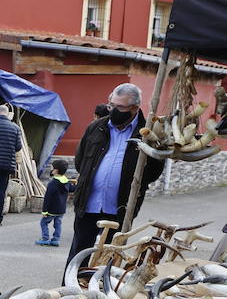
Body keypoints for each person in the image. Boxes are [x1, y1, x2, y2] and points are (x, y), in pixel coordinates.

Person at [66, 83, 164, 261]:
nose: (112, 110)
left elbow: (154, 171)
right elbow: (81, 161)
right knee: (78, 254)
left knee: (109, 257)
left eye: (119, 107)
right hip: (88, 204)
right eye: (111, 105)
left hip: (120, 208)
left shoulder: (147, 133)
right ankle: (70, 287)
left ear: (134, 108)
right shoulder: (96, 127)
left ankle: (99, 288)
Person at [36, 159, 72, 247]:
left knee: (44, 223)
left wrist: (44, 211)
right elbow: (71, 189)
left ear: (56, 170)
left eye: (52, 168)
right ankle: (56, 240)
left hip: (52, 209)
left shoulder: (53, 183)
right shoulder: (66, 182)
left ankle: (45, 238)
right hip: (61, 209)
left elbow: (48, 198)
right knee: (58, 224)